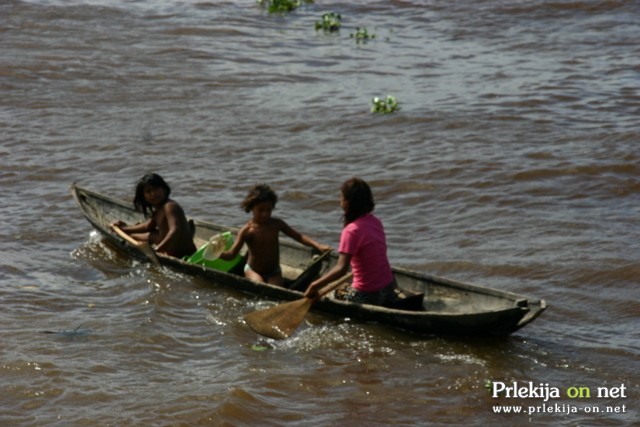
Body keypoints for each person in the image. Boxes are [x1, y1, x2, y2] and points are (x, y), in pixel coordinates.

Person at [304, 177, 396, 306]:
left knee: (333, 294)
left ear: (348, 202)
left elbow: (341, 269)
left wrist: (314, 285)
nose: (339, 200)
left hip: (367, 295)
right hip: (389, 289)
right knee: (347, 283)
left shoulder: (351, 231)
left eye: (341, 197)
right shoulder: (375, 221)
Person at [219, 184, 331, 286]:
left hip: (274, 271)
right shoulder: (247, 230)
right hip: (253, 270)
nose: (265, 214)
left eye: (268, 210)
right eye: (261, 210)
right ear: (251, 208)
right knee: (260, 286)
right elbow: (232, 254)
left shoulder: (276, 224)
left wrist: (318, 245)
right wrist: (217, 253)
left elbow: (298, 236)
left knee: (276, 289)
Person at [111, 173, 196, 258]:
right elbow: (147, 227)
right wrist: (125, 229)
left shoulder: (169, 206)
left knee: (149, 235)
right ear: (144, 197)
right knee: (149, 234)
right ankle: (125, 232)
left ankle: (127, 233)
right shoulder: (158, 209)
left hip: (182, 253)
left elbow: (174, 230)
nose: (153, 194)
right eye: (148, 191)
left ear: (164, 189)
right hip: (167, 245)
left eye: (156, 189)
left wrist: (158, 249)